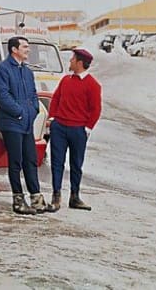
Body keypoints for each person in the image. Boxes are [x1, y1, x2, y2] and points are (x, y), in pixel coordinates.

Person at [0, 36, 49, 214]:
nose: (28, 50)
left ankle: (36, 198)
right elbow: (2, 95)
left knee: (30, 160)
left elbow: (33, 94)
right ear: (14, 49)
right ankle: (18, 199)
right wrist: (19, 112)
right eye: (24, 47)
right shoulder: (2, 69)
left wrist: (33, 111)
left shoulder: (27, 71)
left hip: (26, 123)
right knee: (15, 162)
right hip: (11, 123)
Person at [46, 48, 102, 212]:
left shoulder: (93, 85)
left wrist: (87, 128)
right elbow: (56, 98)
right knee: (57, 163)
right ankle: (56, 196)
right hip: (59, 128)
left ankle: (74, 197)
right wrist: (52, 118)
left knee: (76, 164)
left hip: (78, 130)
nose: (70, 61)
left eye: (72, 59)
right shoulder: (65, 80)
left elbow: (96, 109)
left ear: (79, 63)